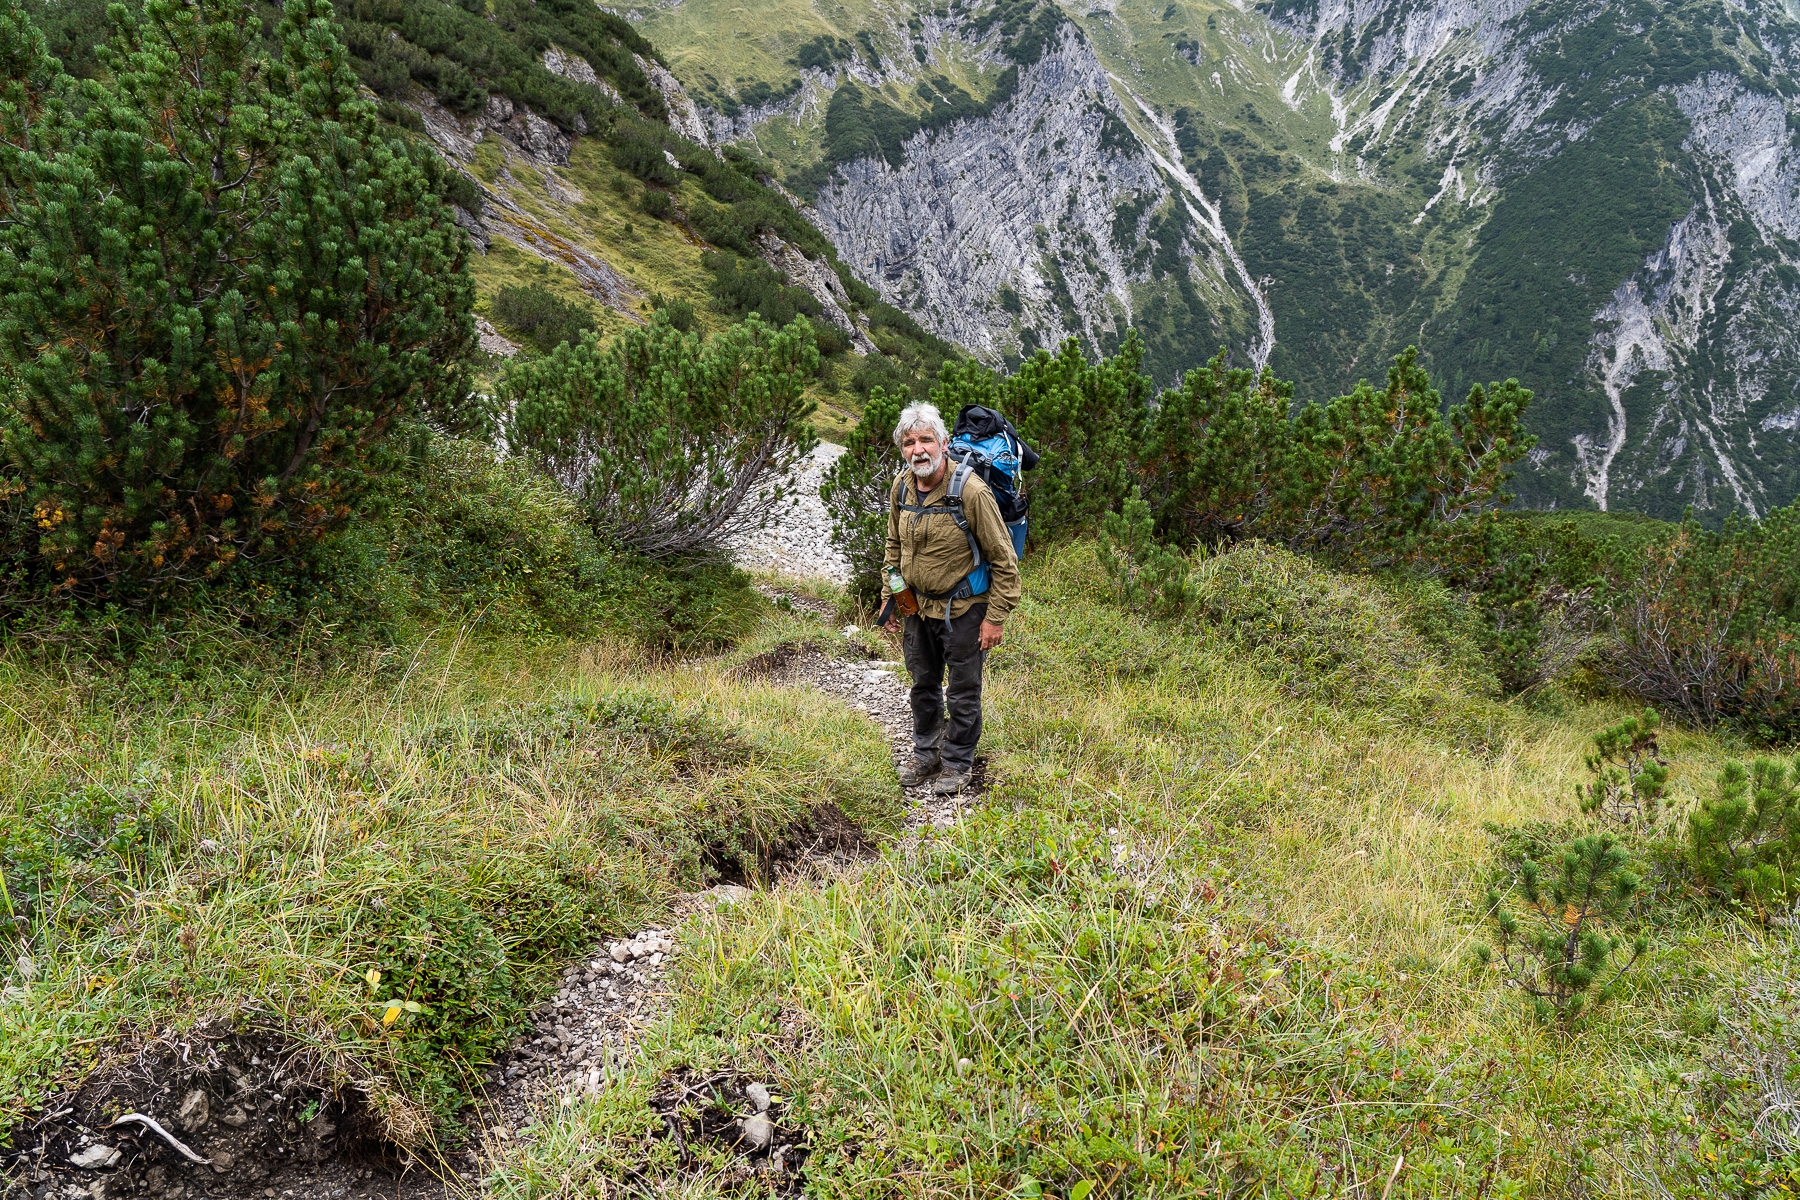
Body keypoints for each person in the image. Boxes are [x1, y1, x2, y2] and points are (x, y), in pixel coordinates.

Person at [881, 403, 1021, 794]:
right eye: (909, 442)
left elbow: (1004, 560)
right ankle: (926, 754)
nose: (918, 449)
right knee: (922, 684)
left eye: (926, 439)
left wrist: (996, 617)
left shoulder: (971, 491)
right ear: (902, 449)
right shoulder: (902, 487)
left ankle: (958, 763)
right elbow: (894, 545)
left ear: (943, 443)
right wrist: (889, 597)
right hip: (917, 608)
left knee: (962, 690)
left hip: (964, 610)